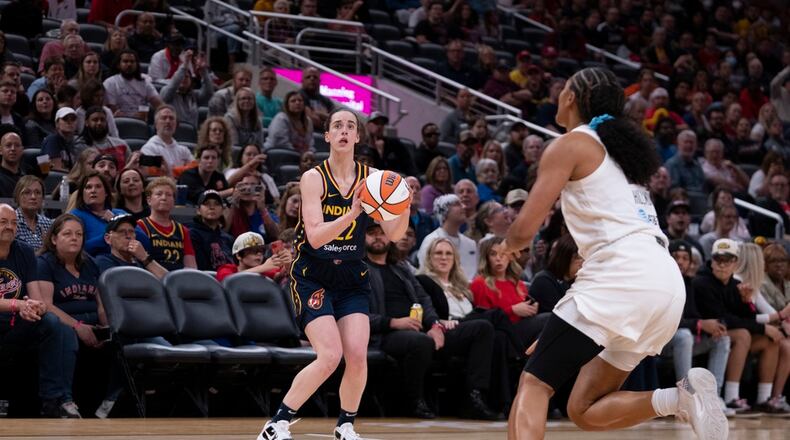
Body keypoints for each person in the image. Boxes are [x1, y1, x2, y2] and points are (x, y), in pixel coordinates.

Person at [498, 68, 725, 440]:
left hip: (622, 278)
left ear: (571, 97)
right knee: (583, 409)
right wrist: (564, 328)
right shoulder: (622, 156)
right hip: (663, 285)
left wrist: (507, 246)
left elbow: (523, 231)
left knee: (535, 385)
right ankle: (679, 399)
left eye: (563, 88)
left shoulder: (572, 144)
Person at [257, 108, 410, 440]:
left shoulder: (373, 180)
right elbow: (315, 236)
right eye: (337, 126)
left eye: (350, 126)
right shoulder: (314, 178)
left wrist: (403, 204)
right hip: (313, 274)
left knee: (357, 356)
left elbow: (395, 235)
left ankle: (345, 428)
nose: (343, 130)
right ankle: (277, 423)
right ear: (327, 136)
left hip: (352, 276)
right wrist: (354, 212)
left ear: (357, 136)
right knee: (330, 355)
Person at [365, 223, 502, 420]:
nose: (378, 238)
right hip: (384, 334)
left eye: (382, 233)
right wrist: (393, 322)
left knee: (481, 328)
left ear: (390, 238)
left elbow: (424, 300)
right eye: (372, 234)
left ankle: (473, 397)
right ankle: (413, 402)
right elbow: (356, 315)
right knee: (421, 342)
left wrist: (435, 325)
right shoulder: (359, 270)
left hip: (420, 328)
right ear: (363, 238)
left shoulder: (401, 268)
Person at [0, 204, 79, 418]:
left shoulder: (24, 251)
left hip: (18, 323)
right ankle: (56, 399)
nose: (9, 227)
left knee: (55, 324)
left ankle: (54, 400)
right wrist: (18, 305)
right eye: (3, 222)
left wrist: (36, 306)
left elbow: (35, 296)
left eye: (14, 223)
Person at [694, 239, 784, 415]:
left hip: (724, 332)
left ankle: (764, 399)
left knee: (771, 340)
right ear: (711, 260)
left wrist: (746, 301)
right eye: (718, 259)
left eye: (727, 260)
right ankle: (730, 397)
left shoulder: (736, 285)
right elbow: (724, 319)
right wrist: (764, 327)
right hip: (703, 334)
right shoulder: (702, 282)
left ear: (735, 263)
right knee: (743, 335)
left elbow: (745, 317)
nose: (721, 265)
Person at [662, 240, 733, 416]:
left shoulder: (689, 283)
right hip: (660, 344)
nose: (680, 261)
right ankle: (687, 397)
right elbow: (665, 321)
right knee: (685, 336)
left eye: (685, 258)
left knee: (721, 338)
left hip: (683, 344)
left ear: (690, 262)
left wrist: (710, 326)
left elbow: (693, 316)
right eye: (676, 257)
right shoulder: (660, 282)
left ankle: (713, 398)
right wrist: (700, 324)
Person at [135, 177, 198, 271]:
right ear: (149, 200)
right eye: (159, 194)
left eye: (168, 195)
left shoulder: (182, 230)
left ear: (174, 201)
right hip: (149, 279)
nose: (164, 198)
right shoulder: (140, 226)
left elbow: (191, 266)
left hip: (178, 281)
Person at [418, 194, 477, 281]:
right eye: (457, 204)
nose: (464, 207)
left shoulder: (471, 244)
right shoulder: (431, 241)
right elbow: (425, 271)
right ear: (444, 211)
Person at [69, 171, 128, 256]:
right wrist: (107, 237)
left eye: (98, 186)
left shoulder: (120, 213)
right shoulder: (75, 216)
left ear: (106, 193)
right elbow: (76, 247)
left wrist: (116, 221)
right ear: (82, 193)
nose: (93, 190)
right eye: (88, 187)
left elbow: (144, 240)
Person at [95, 213, 167, 279]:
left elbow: (168, 281)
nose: (128, 236)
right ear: (108, 238)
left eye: (131, 231)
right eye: (121, 231)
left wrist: (145, 258)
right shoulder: (103, 261)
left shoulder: (143, 261)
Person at [159, 50, 214, 129]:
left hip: (191, 134)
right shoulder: (167, 92)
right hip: (172, 133)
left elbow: (209, 92)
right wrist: (184, 65)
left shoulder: (194, 95)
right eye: (182, 76)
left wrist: (204, 71)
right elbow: (174, 84)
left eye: (187, 77)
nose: (184, 78)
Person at [528, 234, 582, 314]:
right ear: (565, 257)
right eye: (578, 257)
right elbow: (561, 316)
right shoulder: (544, 280)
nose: (583, 262)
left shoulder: (577, 281)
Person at [103, 49, 163, 120]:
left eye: (132, 62)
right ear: (118, 65)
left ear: (136, 64)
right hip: (118, 121)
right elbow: (111, 109)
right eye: (125, 61)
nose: (129, 64)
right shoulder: (110, 83)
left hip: (141, 122)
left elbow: (159, 105)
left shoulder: (145, 83)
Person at [185, 190, 234, 272]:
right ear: (198, 210)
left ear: (222, 210)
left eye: (217, 204)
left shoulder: (229, 239)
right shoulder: (192, 234)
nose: (212, 207)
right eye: (207, 203)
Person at [215, 231, 292, 282]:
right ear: (238, 255)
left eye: (261, 251)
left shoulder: (265, 271)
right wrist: (263, 267)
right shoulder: (227, 268)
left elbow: (279, 276)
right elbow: (227, 280)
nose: (259, 254)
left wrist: (287, 265)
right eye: (253, 251)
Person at [140, 105, 194, 177]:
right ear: (156, 124)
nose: (168, 121)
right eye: (164, 118)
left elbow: (195, 168)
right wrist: (183, 170)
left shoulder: (184, 150)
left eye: (171, 118)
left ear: (176, 124)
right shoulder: (148, 148)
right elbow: (153, 171)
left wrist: (172, 171)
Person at [228, 173, 280, 241]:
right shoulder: (230, 211)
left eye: (253, 185)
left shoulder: (267, 214)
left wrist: (262, 209)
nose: (248, 189)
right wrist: (234, 203)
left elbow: (275, 235)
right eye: (244, 185)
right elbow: (223, 230)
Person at [14, 176, 53, 251]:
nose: (33, 197)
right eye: (27, 192)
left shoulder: (49, 224)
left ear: (43, 198)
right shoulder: (10, 222)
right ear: (17, 196)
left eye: (38, 192)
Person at [42, 107, 79, 172]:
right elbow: (55, 171)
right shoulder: (51, 140)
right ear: (57, 124)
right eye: (65, 119)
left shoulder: (72, 143)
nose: (69, 122)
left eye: (73, 119)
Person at [0, 128, 24, 197]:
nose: (13, 149)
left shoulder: (27, 178)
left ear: (22, 150)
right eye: (8, 145)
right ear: (0, 150)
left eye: (17, 145)